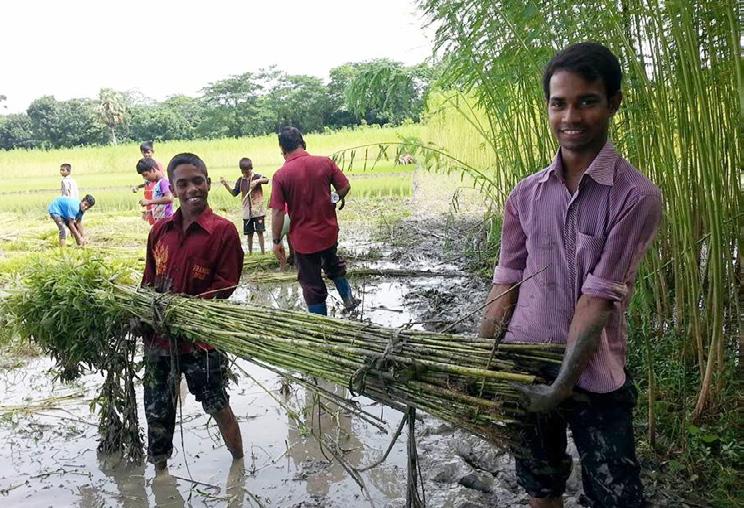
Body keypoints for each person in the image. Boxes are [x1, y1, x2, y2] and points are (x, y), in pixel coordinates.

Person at [478, 42, 662, 508]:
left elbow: (597, 298)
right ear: (548, 108)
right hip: (524, 360)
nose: (571, 117)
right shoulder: (525, 195)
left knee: (617, 495)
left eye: (587, 101)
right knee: (541, 484)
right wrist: (481, 357)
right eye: (559, 104)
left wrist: (560, 386)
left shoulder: (635, 197)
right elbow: (507, 280)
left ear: (613, 102)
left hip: (594, 372)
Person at [140, 152, 244, 472]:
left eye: (197, 181)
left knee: (217, 404)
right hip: (160, 341)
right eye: (182, 184)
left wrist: (188, 310)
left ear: (208, 183)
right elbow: (149, 281)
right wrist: (141, 313)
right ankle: (161, 475)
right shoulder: (159, 232)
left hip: (201, 341)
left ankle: (239, 466)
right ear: (172, 188)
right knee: (157, 412)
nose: (191, 190)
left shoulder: (223, 231)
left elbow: (226, 284)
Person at [269, 127, 359, 315]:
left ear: (282, 149)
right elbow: (345, 186)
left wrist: (276, 240)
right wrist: (333, 199)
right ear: (303, 143)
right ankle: (350, 302)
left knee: (311, 284)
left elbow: (277, 212)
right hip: (328, 233)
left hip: (303, 241)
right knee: (334, 266)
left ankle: (321, 326)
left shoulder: (281, 175)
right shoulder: (325, 162)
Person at [219, 158, 269, 254]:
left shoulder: (257, 177)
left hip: (258, 210)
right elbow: (234, 193)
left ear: (251, 168)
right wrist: (226, 185)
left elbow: (266, 180)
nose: (246, 173)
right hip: (247, 212)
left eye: (248, 171)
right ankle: (250, 253)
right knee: (249, 234)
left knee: (260, 232)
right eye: (244, 172)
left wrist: (257, 181)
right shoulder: (240, 180)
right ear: (241, 170)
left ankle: (263, 253)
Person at [131, 141, 166, 223]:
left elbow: (161, 180)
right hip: (149, 194)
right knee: (152, 216)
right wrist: (138, 186)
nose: (146, 154)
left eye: (148, 152)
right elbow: (148, 182)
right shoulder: (143, 165)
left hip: (156, 194)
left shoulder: (156, 165)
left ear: (152, 152)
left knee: (159, 218)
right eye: (144, 152)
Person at [136, 158, 174, 223]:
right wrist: (151, 211)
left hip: (166, 221)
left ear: (153, 169)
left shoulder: (163, 182)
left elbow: (169, 198)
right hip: (160, 221)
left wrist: (149, 201)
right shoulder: (157, 184)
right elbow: (162, 206)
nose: (145, 178)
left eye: (145, 175)